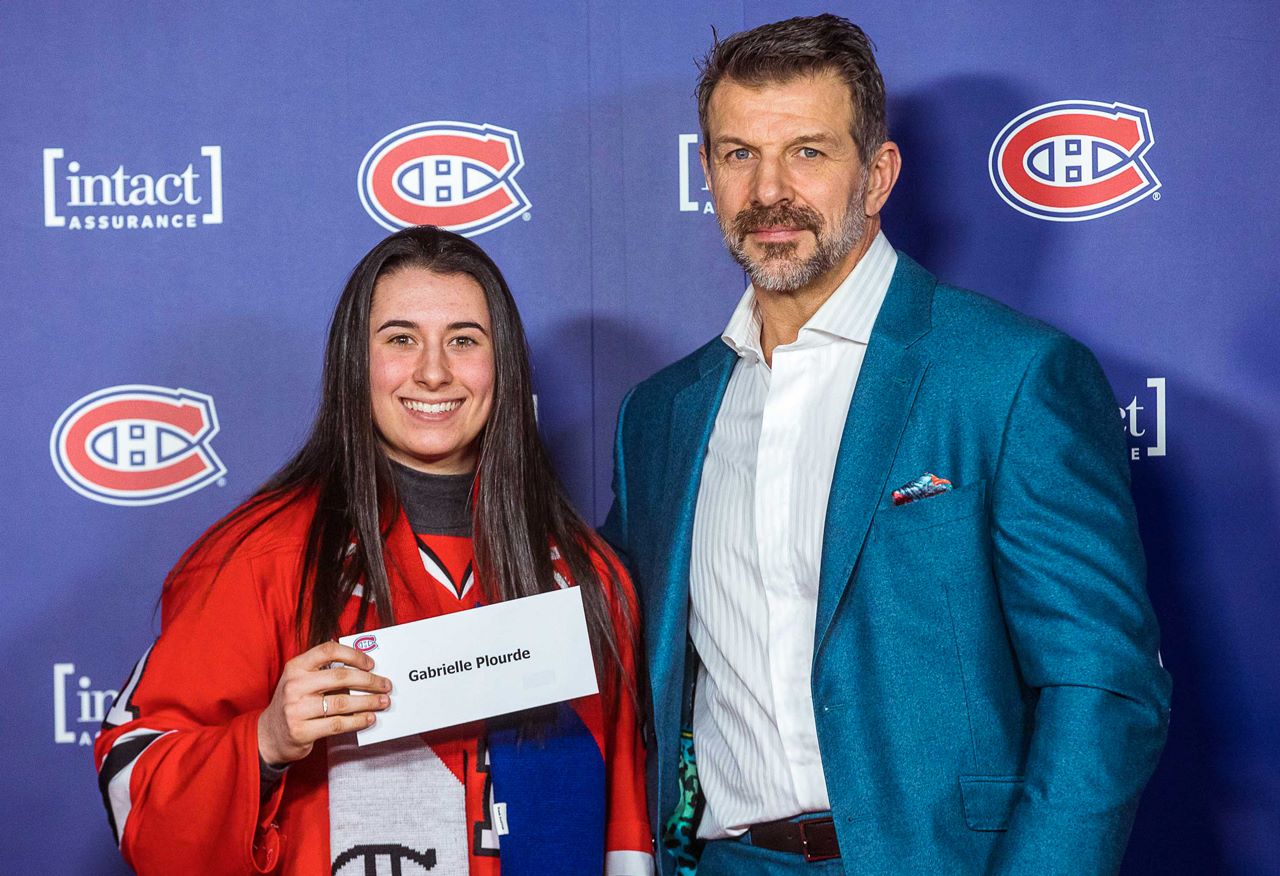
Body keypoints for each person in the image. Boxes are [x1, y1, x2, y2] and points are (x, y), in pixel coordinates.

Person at [601, 14, 1171, 876]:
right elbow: (600, 647)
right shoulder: (662, 414)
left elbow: (1102, 687)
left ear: (878, 174)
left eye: (809, 152)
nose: (769, 192)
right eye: (737, 154)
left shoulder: (1009, 378)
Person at [95, 226, 654, 876]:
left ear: (503, 364)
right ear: (353, 362)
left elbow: (626, 828)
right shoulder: (263, 557)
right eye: (400, 339)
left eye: (465, 340)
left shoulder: (585, 575)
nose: (435, 371)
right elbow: (136, 781)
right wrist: (266, 740)